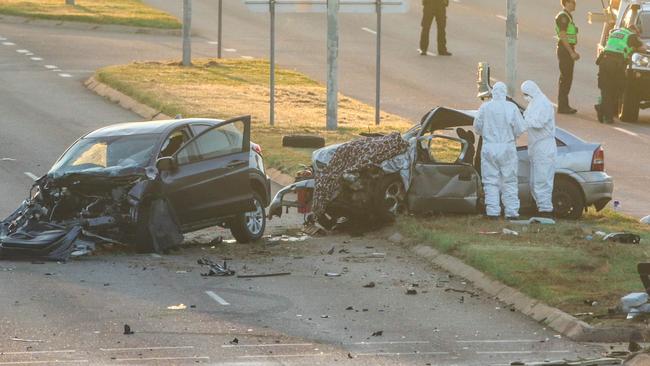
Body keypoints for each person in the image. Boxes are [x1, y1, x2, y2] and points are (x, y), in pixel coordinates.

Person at [473, 82, 526, 220]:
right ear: (505, 93)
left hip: (489, 147)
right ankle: (512, 212)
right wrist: (512, 135)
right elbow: (520, 128)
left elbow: (477, 127)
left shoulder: (485, 107)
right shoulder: (511, 107)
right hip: (507, 147)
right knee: (509, 181)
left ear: (493, 93)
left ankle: (492, 212)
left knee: (490, 181)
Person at [596, 26, 647, 124]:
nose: (638, 35)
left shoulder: (615, 32)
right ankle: (602, 109)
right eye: (638, 33)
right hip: (616, 64)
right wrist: (638, 41)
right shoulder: (631, 36)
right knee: (619, 89)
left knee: (607, 90)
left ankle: (606, 114)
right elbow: (643, 49)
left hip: (604, 62)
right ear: (633, 30)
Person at [521, 80, 557, 218]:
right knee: (535, 181)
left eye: (526, 94)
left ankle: (546, 211)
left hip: (544, 147)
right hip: (536, 146)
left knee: (543, 180)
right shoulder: (534, 103)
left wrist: (522, 121)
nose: (525, 97)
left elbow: (538, 123)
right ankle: (540, 207)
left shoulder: (544, 104)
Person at [555, 0, 580, 114]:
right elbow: (563, 35)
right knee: (565, 78)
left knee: (567, 78)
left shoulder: (568, 17)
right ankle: (563, 106)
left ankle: (564, 105)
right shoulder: (563, 17)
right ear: (566, 3)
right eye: (572, 2)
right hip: (565, 50)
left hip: (567, 49)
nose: (574, 4)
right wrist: (571, 52)